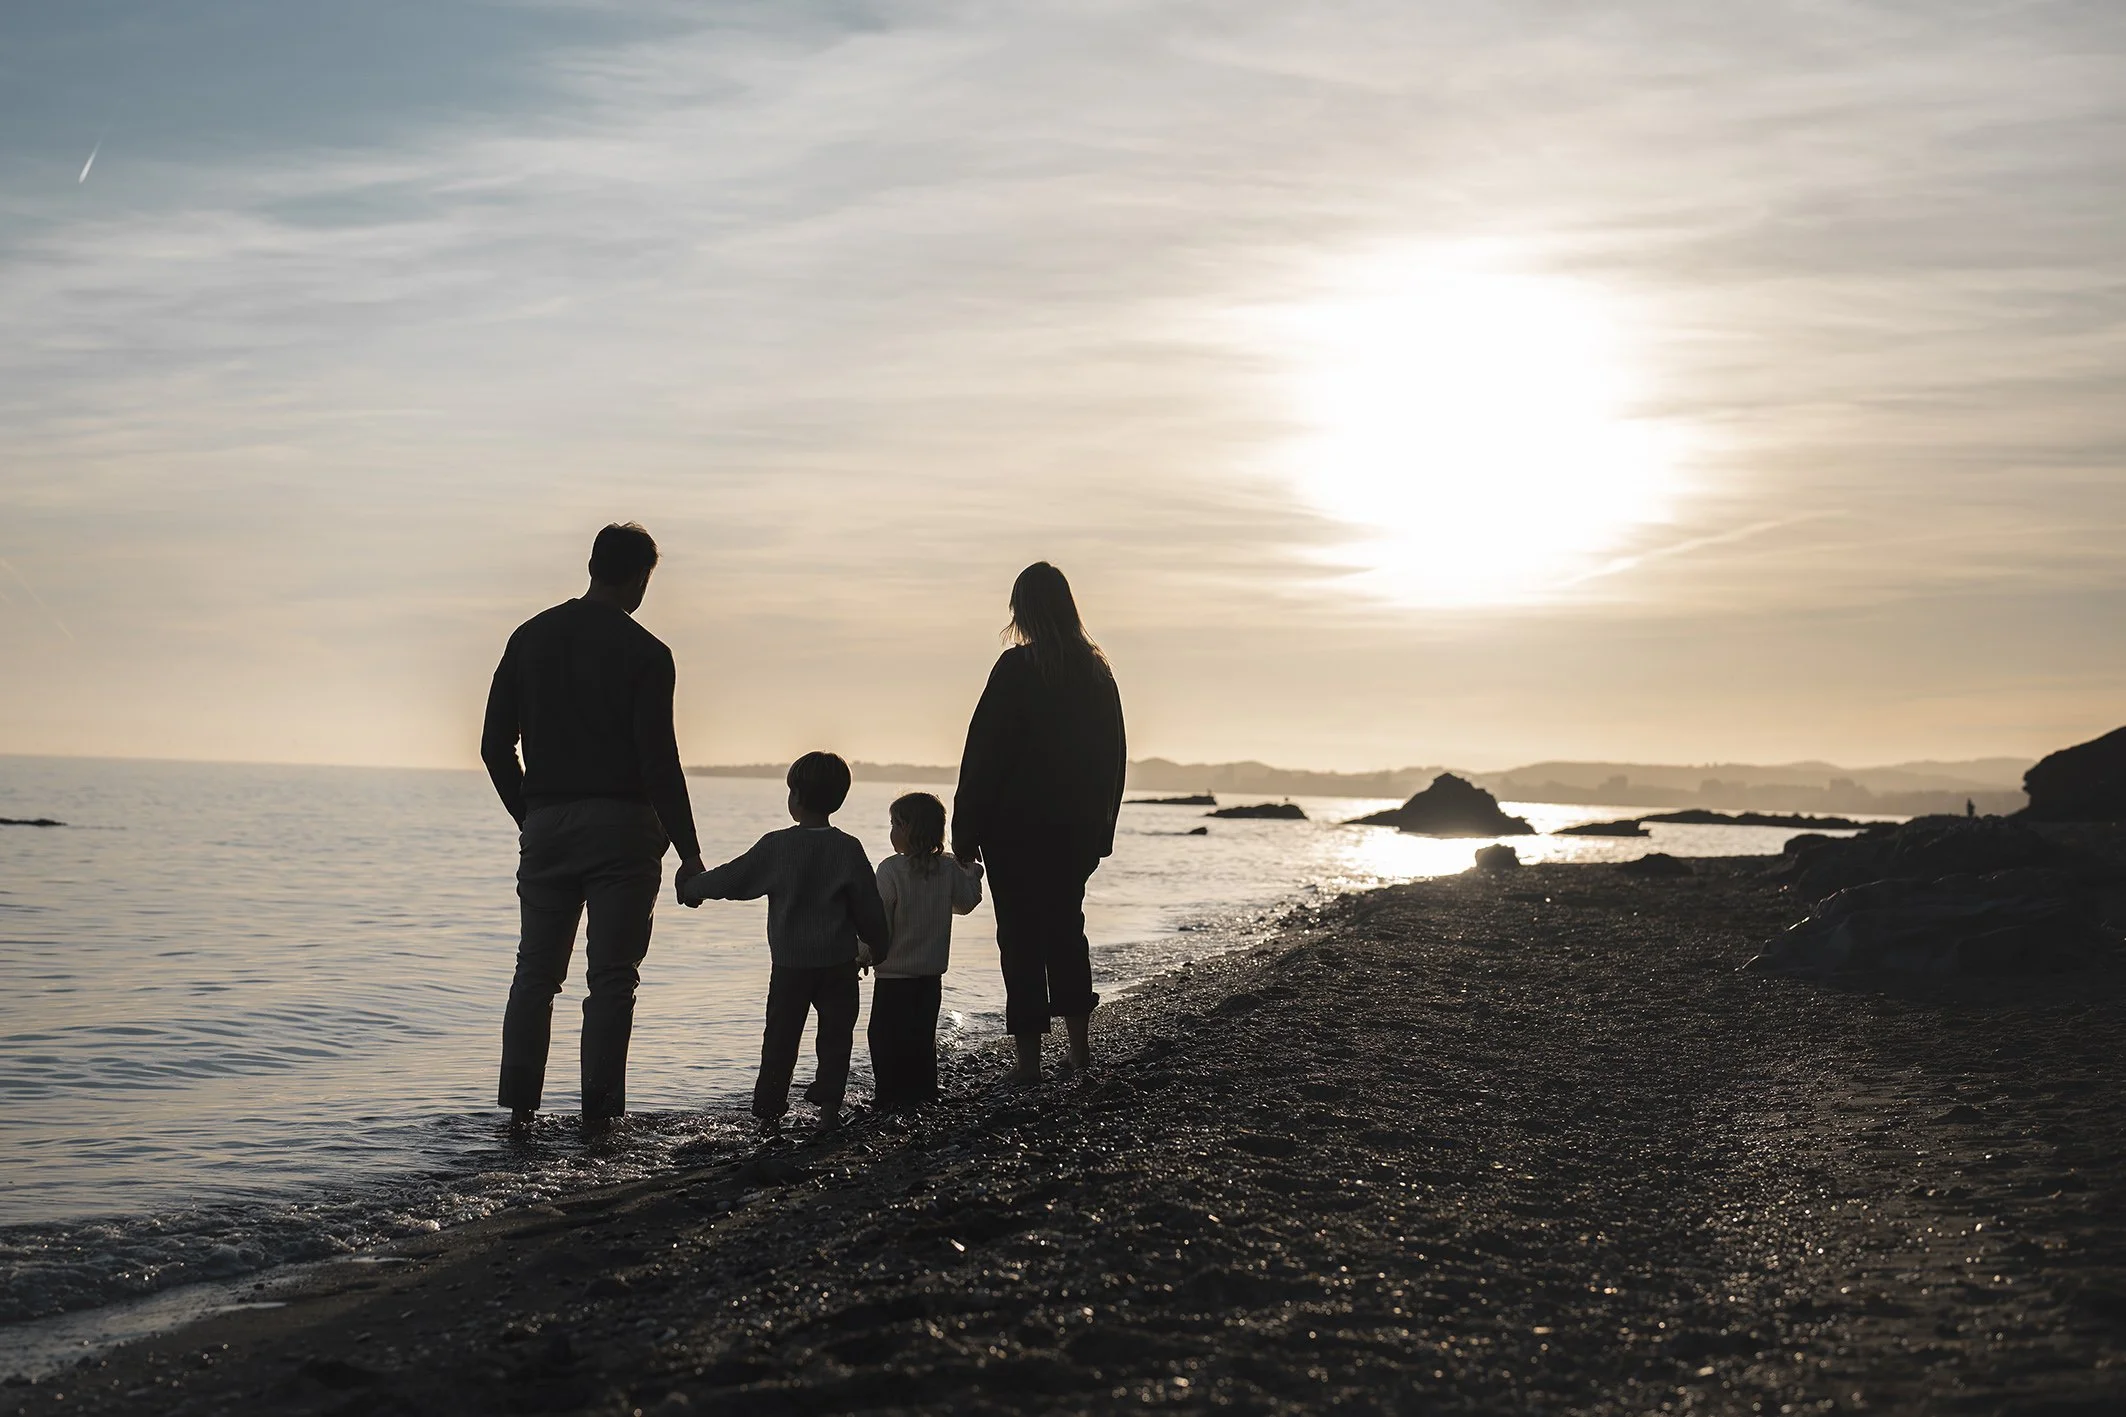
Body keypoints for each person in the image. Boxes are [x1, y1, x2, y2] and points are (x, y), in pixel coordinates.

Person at [481, 522, 704, 1137]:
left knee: (535, 972)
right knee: (611, 977)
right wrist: (689, 854)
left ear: (591, 565)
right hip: (624, 827)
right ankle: (599, 1115)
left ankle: (519, 1112)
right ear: (639, 578)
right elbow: (659, 760)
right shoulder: (647, 653)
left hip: (548, 822)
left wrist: (531, 818)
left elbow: (494, 747)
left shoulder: (528, 637)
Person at [952, 562, 1126, 1088]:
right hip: (1073, 831)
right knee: (1067, 932)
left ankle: (1028, 1065)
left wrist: (964, 832)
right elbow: (1112, 761)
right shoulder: (1097, 672)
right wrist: (1102, 834)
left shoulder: (1015, 669)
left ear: (1021, 611)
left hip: (1014, 831)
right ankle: (1079, 1054)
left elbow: (983, 755)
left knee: (1021, 942)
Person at [682, 752, 889, 1131]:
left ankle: (768, 1116)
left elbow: (734, 878)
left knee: (779, 1041)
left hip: (791, 967)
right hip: (839, 965)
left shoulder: (777, 846)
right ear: (839, 799)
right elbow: (869, 906)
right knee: (835, 1040)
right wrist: (878, 945)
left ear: (795, 799)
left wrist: (692, 887)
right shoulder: (849, 848)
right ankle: (828, 1113)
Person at [868, 792, 984, 1111]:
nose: (890, 830)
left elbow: (880, 921)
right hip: (930, 975)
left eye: (894, 824)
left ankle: (888, 1094)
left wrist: (865, 953)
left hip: (894, 974)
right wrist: (973, 874)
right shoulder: (947, 869)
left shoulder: (890, 870)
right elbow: (966, 903)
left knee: (883, 1037)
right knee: (921, 1036)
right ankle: (924, 1092)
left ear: (907, 828)